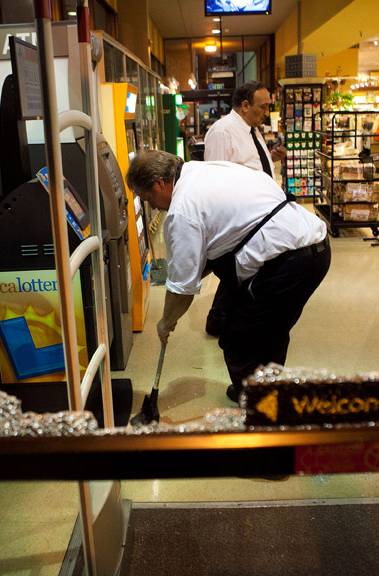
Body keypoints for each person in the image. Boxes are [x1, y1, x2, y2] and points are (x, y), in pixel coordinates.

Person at [125, 150, 329, 403]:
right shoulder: (201, 171)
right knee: (270, 330)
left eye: (149, 197)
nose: (152, 205)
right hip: (310, 244)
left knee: (239, 341)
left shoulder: (182, 211)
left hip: (292, 262)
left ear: (159, 183)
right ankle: (266, 390)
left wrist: (165, 322)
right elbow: (207, 255)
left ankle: (260, 405)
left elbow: (182, 287)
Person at [202, 81, 287, 336]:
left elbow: (248, 164)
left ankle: (225, 318)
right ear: (245, 105)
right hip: (240, 216)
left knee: (247, 268)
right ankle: (218, 320)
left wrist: (271, 158)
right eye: (263, 107)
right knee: (240, 269)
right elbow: (215, 179)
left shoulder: (252, 130)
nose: (266, 112)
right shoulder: (223, 132)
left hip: (259, 213)